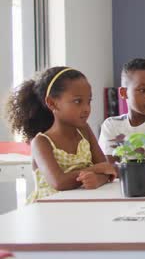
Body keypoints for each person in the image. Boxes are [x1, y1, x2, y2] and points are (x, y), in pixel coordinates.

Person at [4, 67, 117, 203]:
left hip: (81, 207)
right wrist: (94, 170)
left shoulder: (84, 130)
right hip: (49, 211)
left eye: (89, 101)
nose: (86, 108)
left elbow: (107, 169)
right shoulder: (41, 142)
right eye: (77, 101)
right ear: (52, 103)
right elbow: (59, 182)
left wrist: (97, 179)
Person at [98, 58, 145, 177]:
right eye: (142, 90)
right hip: (121, 190)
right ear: (123, 93)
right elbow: (109, 167)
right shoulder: (111, 125)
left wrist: (123, 170)